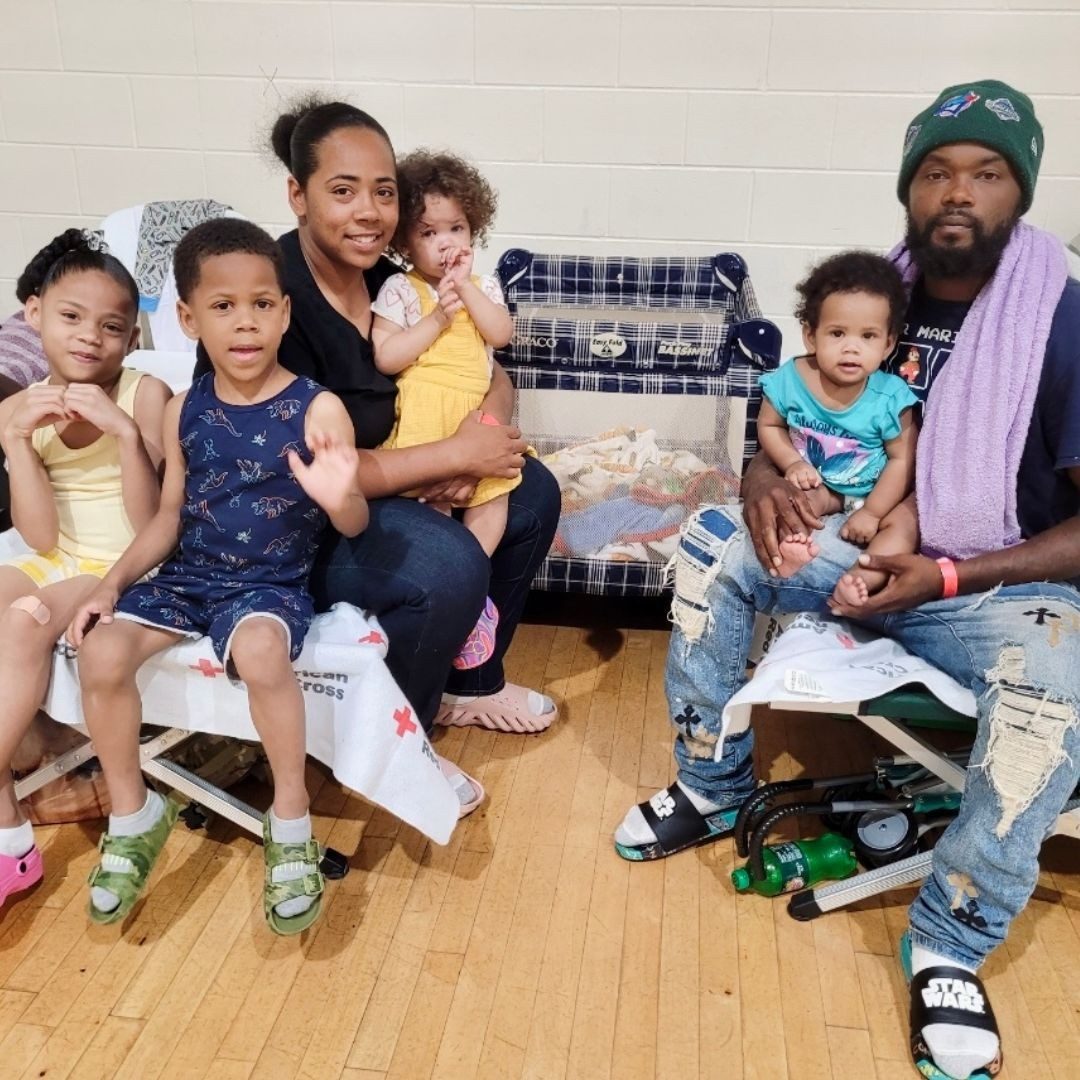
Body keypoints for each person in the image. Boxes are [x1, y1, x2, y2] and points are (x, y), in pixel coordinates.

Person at [616, 79, 1079, 1080]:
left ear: (1020, 192)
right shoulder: (873, 298)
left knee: (1058, 691)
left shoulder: (1063, 321)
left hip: (992, 586)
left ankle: (952, 938)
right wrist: (755, 486)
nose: (960, 191)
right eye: (938, 171)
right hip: (855, 546)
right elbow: (782, 424)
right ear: (909, 191)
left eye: (987, 173)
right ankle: (710, 784)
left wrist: (950, 573)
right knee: (705, 547)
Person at [191, 96, 560, 737]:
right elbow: (297, 466)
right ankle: (400, 742)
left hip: (400, 477)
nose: (369, 212)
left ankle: (463, 685)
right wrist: (450, 459)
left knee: (531, 492)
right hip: (297, 526)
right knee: (447, 563)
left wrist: (484, 435)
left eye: (384, 192)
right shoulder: (273, 300)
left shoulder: (394, 277)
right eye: (343, 191)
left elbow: (488, 368)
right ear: (297, 195)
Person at [68, 219, 368, 935]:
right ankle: (132, 813)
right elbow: (169, 515)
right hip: (186, 577)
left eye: (263, 304)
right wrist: (110, 585)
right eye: (224, 306)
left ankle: (289, 820)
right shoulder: (184, 408)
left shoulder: (317, 407)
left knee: (263, 652)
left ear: (285, 312)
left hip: (267, 586)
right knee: (102, 650)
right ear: (187, 317)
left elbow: (354, 522)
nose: (245, 323)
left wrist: (341, 497)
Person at [0, 229, 169, 909]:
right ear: (33, 313)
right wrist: (14, 440)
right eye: (71, 317)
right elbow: (37, 532)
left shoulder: (143, 393)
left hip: (120, 562)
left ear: (131, 339)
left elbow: (150, 517)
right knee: (20, 596)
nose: (89, 338)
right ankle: (12, 805)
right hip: (56, 551)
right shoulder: (22, 406)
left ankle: (8, 836)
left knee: (22, 621)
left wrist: (124, 435)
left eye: (111, 327)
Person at [372, 151, 514, 670]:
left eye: (457, 228)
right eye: (429, 232)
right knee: (436, 512)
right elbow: (386, 356)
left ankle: (472, 592)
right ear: (404, 242)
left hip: (474, 413)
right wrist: (434, 318)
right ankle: (453, 589)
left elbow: (501, 334)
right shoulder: (399, 290)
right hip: (426, 418)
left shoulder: (484, 288)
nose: (447, 242)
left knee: (494, 497)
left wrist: (467, 292)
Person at [756, 251, 918, 607]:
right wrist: (791, 463)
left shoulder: (891, 397)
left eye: (868, 336)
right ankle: (793, 552)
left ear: (888, 344)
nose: (851, 347)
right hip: (821, 486)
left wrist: (873, 512)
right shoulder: (790, 379)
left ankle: (862, 581)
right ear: (811, 336)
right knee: (791, 504)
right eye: (838, 333)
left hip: (876, 494)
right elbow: (768, 424)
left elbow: (901, 460)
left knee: (903, 528)